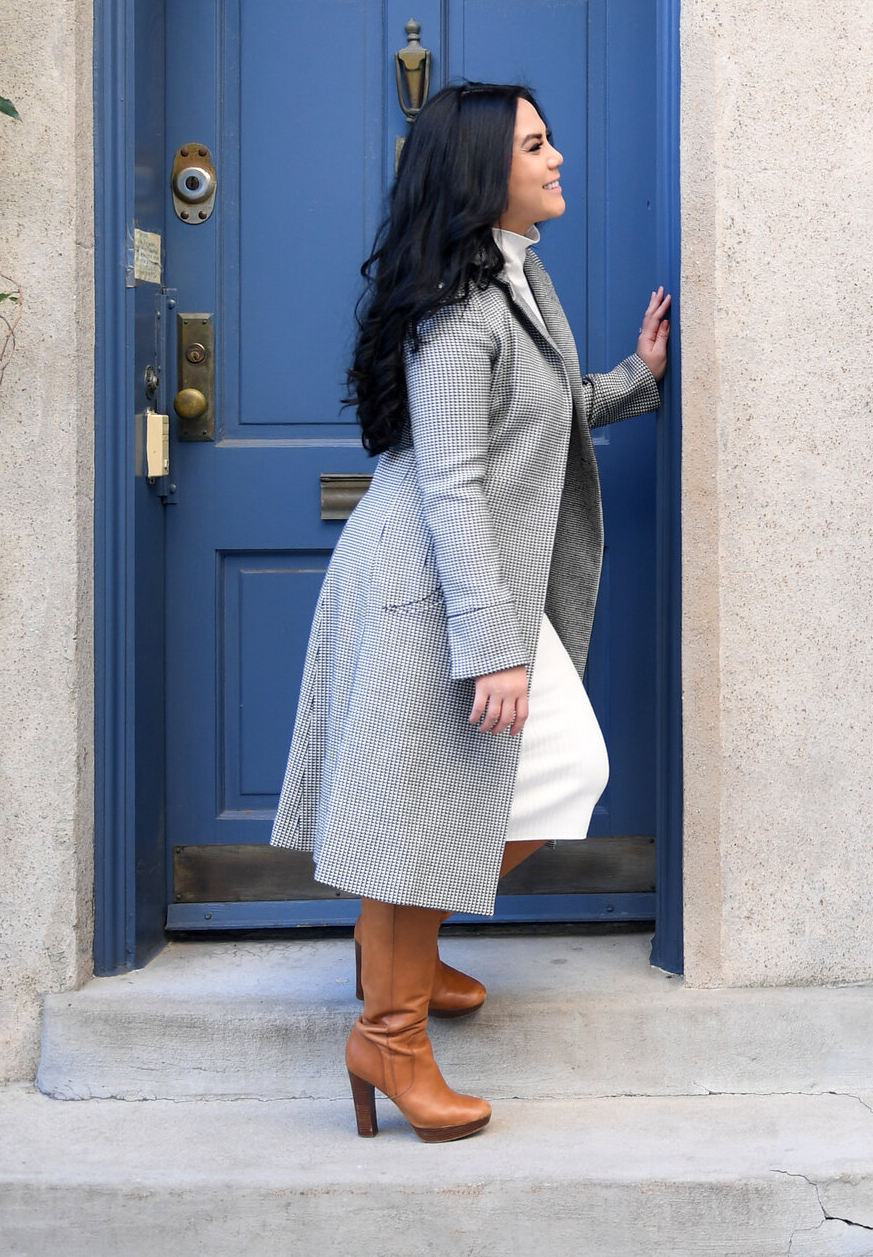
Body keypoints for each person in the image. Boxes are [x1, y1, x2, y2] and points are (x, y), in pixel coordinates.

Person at [272, 82, 670, 1144]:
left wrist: (641, 376)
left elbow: (536, 423)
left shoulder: (514, 278)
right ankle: (389, 1031)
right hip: (428, 585)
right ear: (484, 169)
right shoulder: (459, 310)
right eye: (535, 144)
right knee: (458, 801)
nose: (555, 158)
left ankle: (395, 942)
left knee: (539, 780)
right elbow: (451, 482)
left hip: (462, 572)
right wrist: (492, 646)